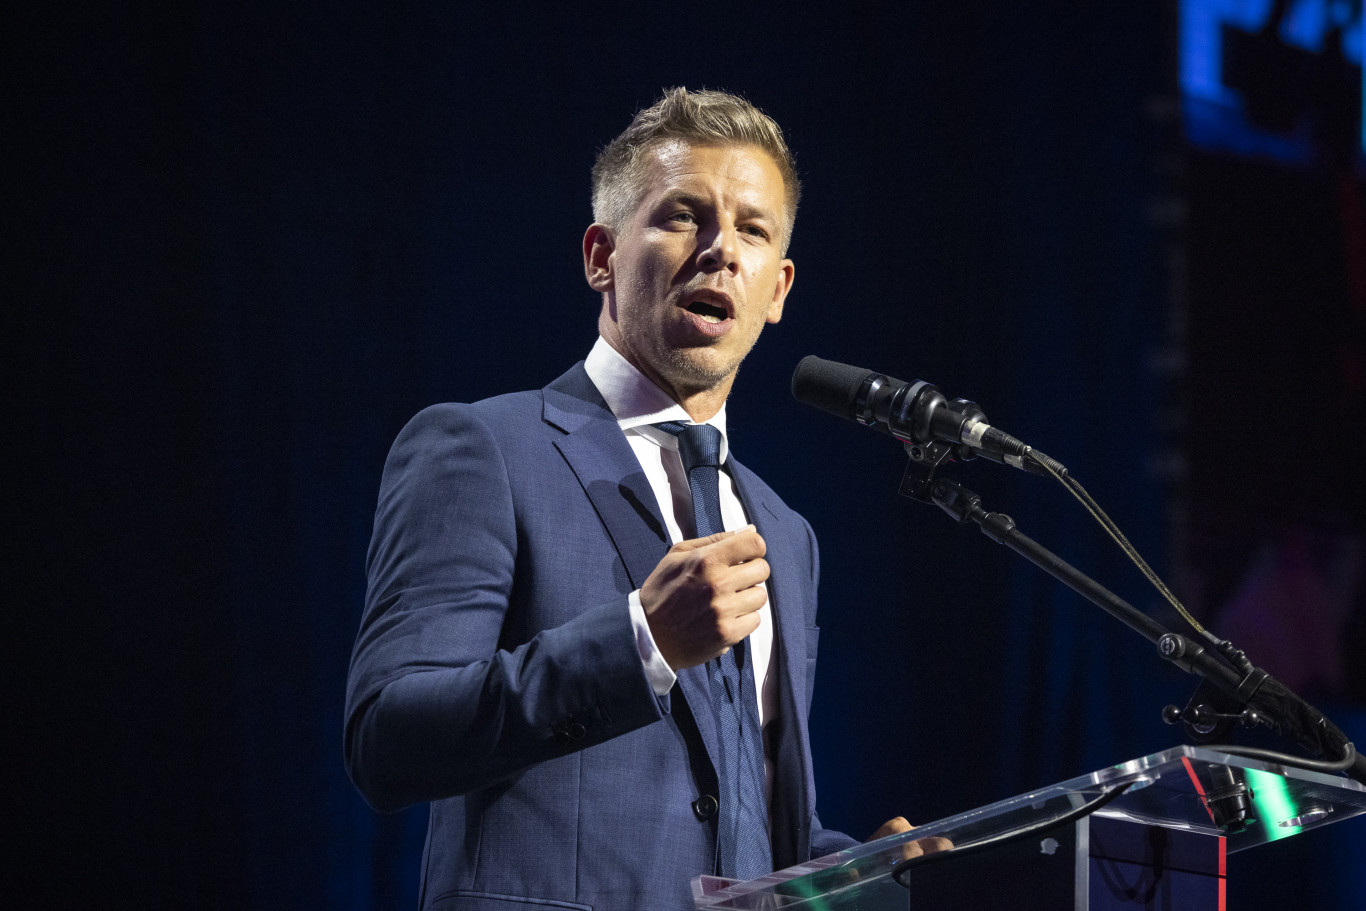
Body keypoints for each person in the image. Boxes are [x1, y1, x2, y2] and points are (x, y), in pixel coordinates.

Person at [344, 87, 915, 911]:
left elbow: (746, 825)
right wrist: (641, 640)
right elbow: (388, 740)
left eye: (753, 230)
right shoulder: (482, 448)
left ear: (778, 290)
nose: (721, 250)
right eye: (684, 215)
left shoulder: (787, 534)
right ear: (600, 256)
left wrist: (861, 873)